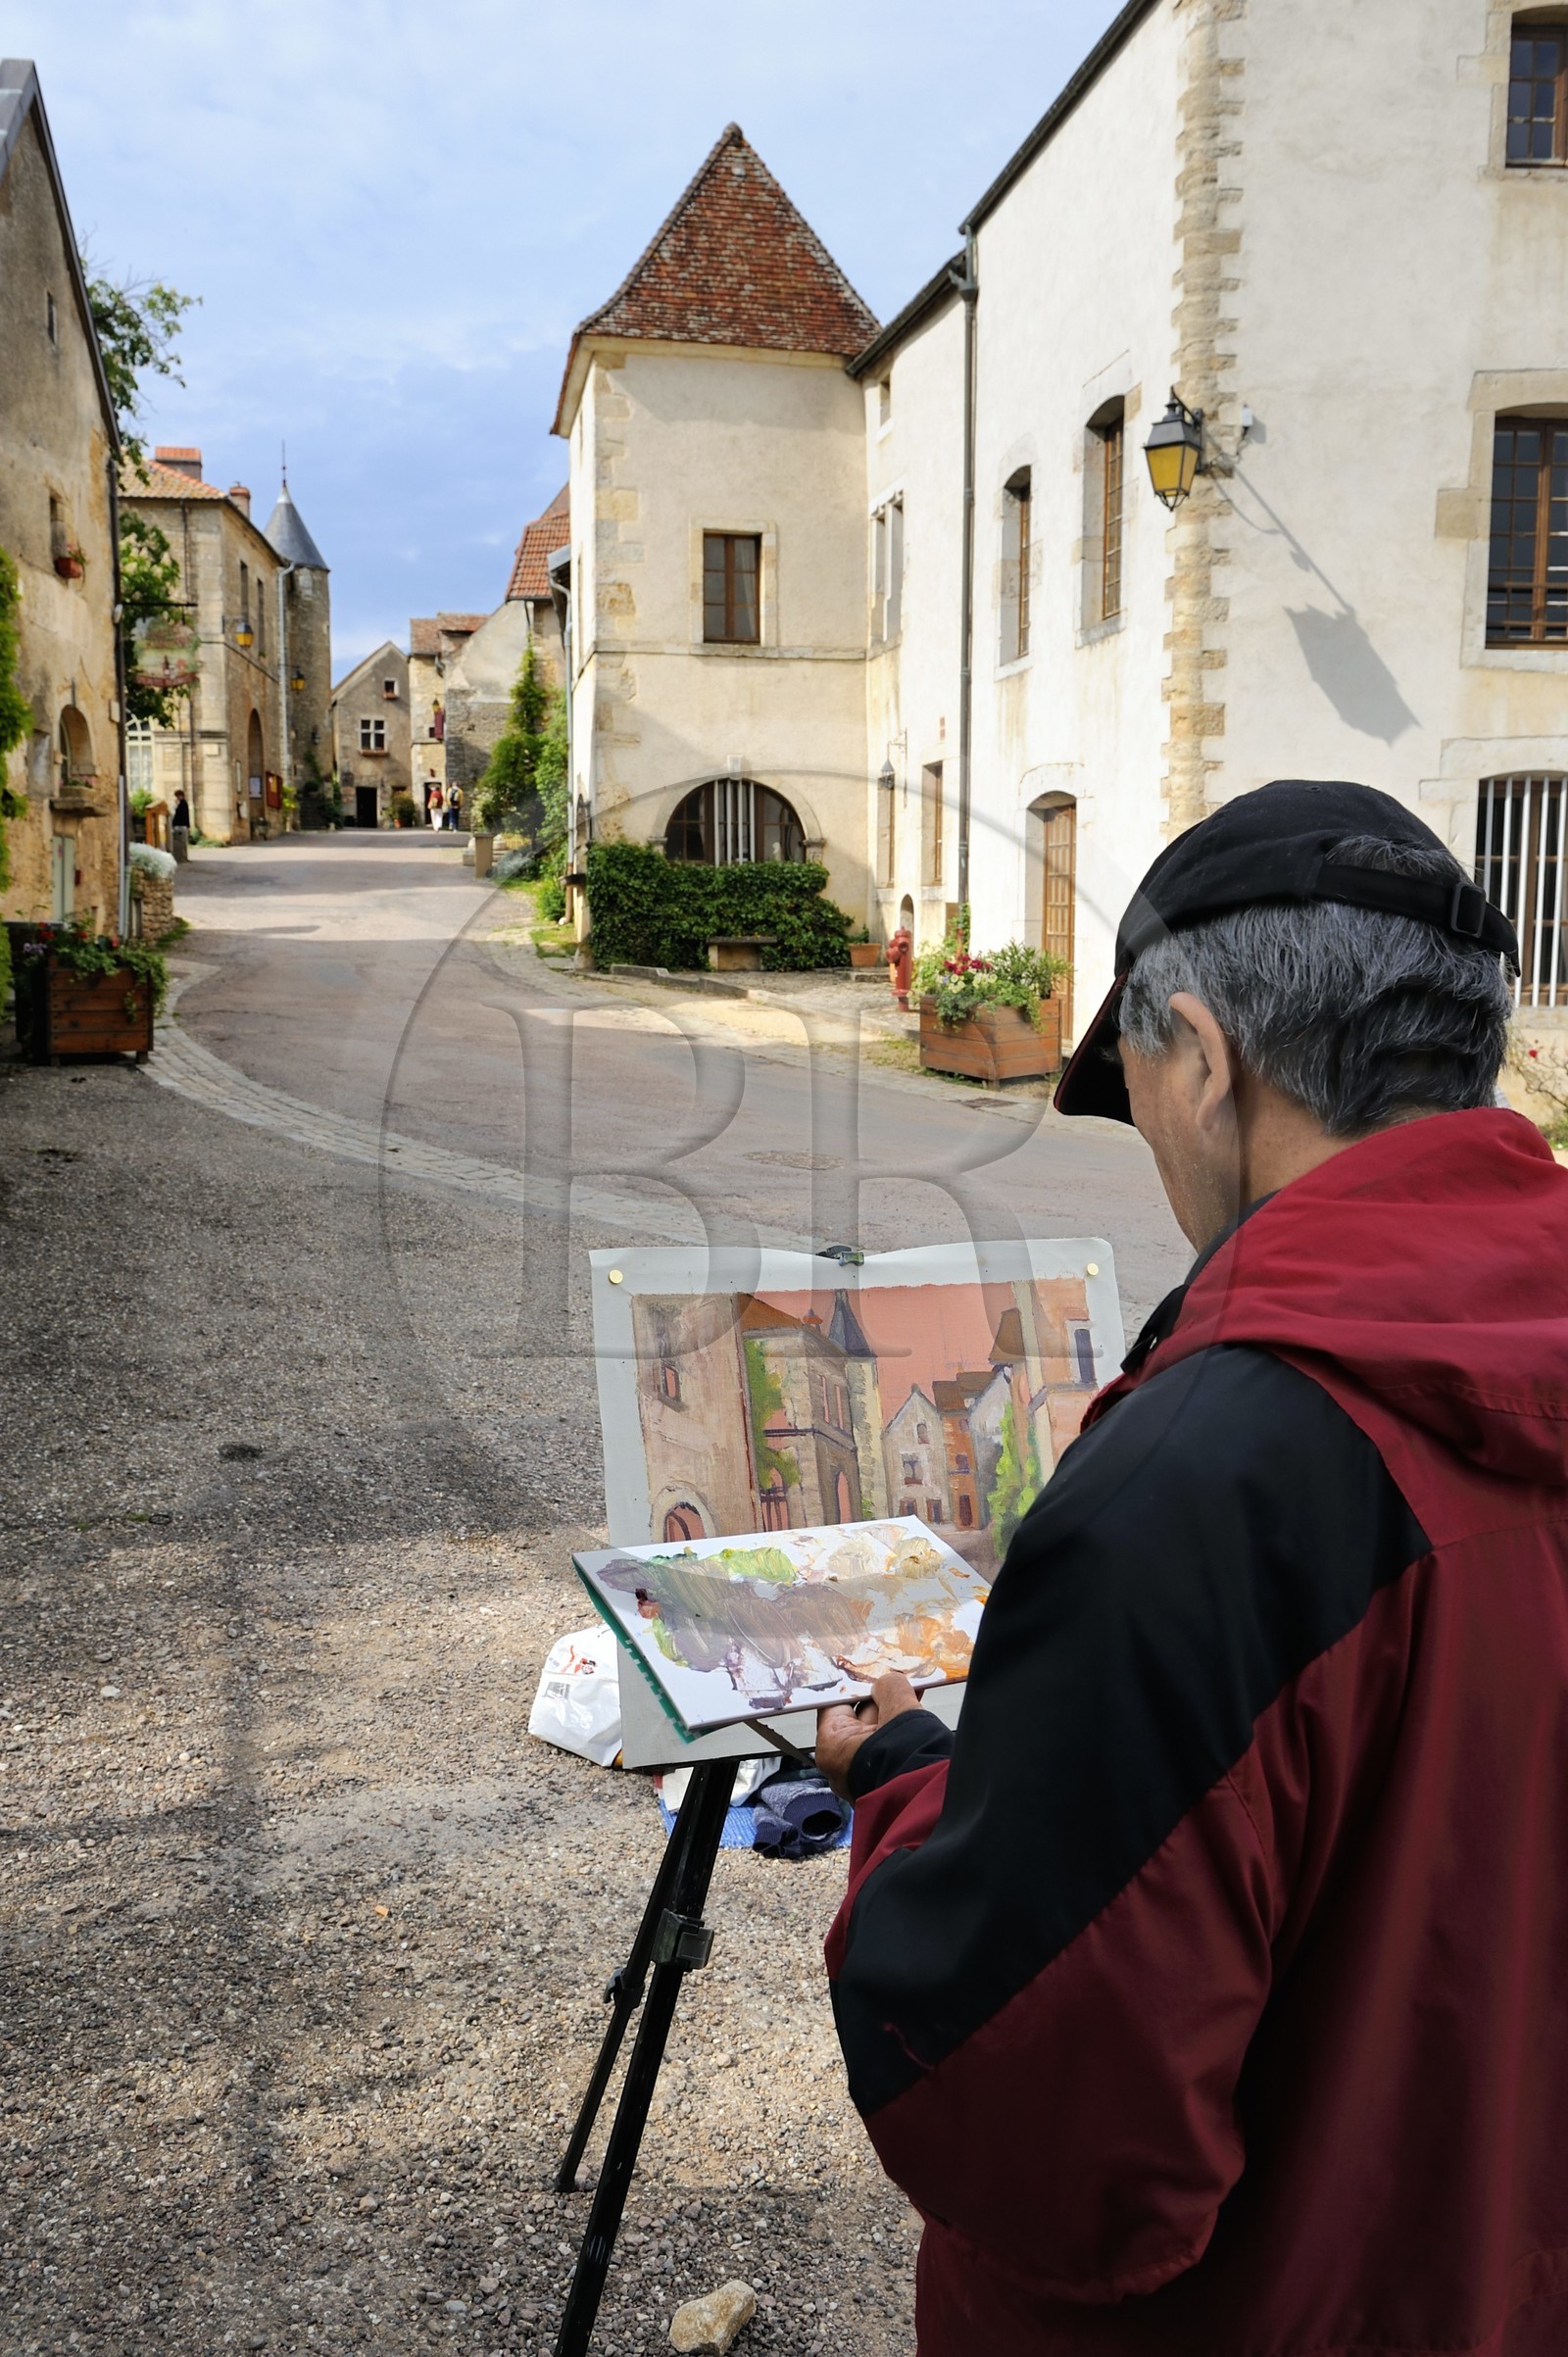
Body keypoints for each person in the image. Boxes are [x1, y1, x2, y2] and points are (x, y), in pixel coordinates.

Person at [818, 779, 1568, 2355]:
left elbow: (1054, 2125)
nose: (1152, 1132)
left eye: (1141, 1076)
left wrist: (904, 1786)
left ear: (1209, 1059)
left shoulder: (1203, 1481)